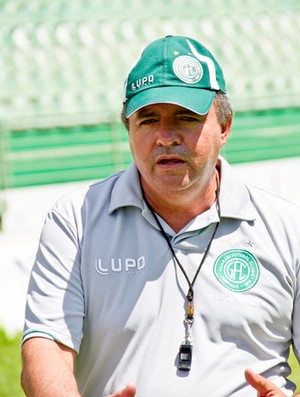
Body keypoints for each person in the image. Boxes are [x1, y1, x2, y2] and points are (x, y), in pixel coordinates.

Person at [21, 35, 299, 397]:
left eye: (186, 117)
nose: (166, 137)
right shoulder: (76, 219)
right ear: (129, 131)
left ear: (225, 127)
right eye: (148, 120)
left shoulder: (288, 227)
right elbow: (46, 350)